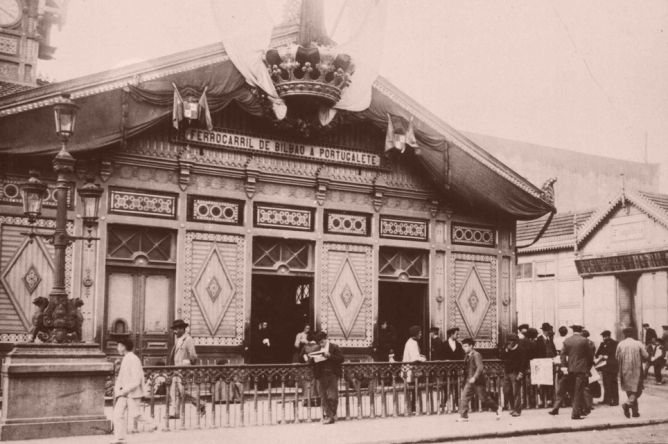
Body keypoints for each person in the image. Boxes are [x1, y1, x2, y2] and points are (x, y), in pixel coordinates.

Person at [112, 338, 157, 443]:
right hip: (125, 393)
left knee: (136, 414)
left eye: (118, 345)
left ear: (123, 347)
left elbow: (136, 380)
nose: (117, 348)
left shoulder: (132, 358)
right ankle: (120, 438)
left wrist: (125, 390)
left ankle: (154, 425)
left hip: (132, 393)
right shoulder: (127, 358)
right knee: (117, 414)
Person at [548, 325, 593, 420]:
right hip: (581, 369)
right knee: (578, 391)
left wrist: (564, 367)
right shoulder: (585, 340)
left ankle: (558, 408)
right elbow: (590, 355)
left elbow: (562, 355)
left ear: (573, 331)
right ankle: (575, 413)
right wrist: (588, 366)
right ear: (581, 330)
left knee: (566, 389)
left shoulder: (567, 340)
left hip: (569, 369)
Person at [457, 338, 502, 422]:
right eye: (463, 346)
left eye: (466, 346)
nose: (464, 348)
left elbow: (480, 367)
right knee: (464, 397)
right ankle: (463, 416)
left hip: (478, 381)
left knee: (483, 398)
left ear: (471, 346)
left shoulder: (476, 354)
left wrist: (474, 377)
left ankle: (497, 408)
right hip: (469, 381)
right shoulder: (467, 355)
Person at [167, 319, 203, 419]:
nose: (174, 331)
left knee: (184, 391)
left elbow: (193, 356)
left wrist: (187, 366)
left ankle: (201, 404)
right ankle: (175, 413)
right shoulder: (178, 340)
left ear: (182, 329)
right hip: (176, 370)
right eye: (174, 329)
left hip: (183, 371)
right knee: (173, 392)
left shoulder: (188, 339)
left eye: (177, 329)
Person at [310, 331, 344, 424]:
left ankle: (331, 416)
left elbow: (341, 359)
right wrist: (313, 358)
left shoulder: (334, 347)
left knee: (333, 397)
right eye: (319, 343)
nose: (321, 344)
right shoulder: (317, 348)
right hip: (321, 375)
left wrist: (329, 355)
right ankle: (330, 417)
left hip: (332, 374)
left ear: (325, 339)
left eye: (322, 342)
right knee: (324, 397)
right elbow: (311, 363)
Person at [616, 327, 649, 418]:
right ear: (634, 334)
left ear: (625, 334)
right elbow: (646, 355)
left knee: (629, 390)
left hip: (624, 370)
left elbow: (616, 356)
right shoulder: (638, 343)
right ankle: (627, 404)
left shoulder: (620, 344)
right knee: (637, 390)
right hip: (636, 370)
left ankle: (635, 412)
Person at [499, 333, 527, 417]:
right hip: (507, 373)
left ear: (515, 341)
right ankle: (512, 407)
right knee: (506, 391)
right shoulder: (507, 349)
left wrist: (521, 373)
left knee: (516, 392)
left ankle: (517, 410)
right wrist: (506, 350)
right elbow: (502, 357)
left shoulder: (521, 350)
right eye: (508, 341)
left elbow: (523, 363)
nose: (509, 343)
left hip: (516, 373)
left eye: (510, 341)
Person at [595, 330, 619, 406]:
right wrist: (600, 356)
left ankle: (615, 400)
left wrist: (608, 357)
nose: (604, 338)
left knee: (613, 383)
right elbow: (597, 353)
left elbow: (616, 354)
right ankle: (607, 399)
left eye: (605, 336)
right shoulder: (602, 344)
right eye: (603, 337)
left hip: (612, 366)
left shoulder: (615, 343)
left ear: (609, 336)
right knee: (606, 383)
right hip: (604, 366)